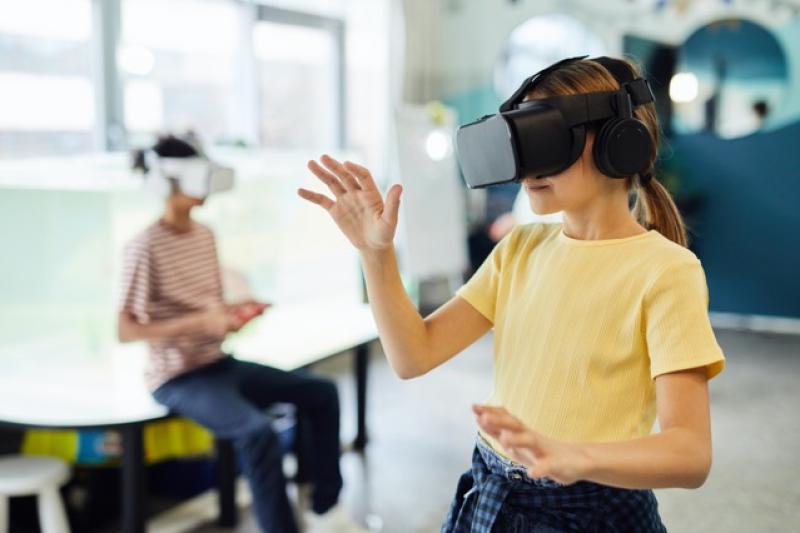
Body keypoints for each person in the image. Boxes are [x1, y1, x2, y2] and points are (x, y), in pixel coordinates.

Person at [298, 57, 725, 531]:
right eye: (521, 143)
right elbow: (413, 355)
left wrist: (575, 456)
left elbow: (690, 453)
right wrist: (375, 255)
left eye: (547, 139)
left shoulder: (666, 271)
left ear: (617, 143)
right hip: (491, 491)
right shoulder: (521, 247)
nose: (528, 167)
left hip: (591, 511)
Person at [118, 134, 366, 533]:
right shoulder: (143, 246)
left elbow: (210, 306)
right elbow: (125, 329)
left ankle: (325, 507)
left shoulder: (205, 235)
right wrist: (203, 323)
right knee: (258, 433)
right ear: (167, 182)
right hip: (176, 378)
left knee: (322, 393)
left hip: (219, 363)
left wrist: (237, 312)